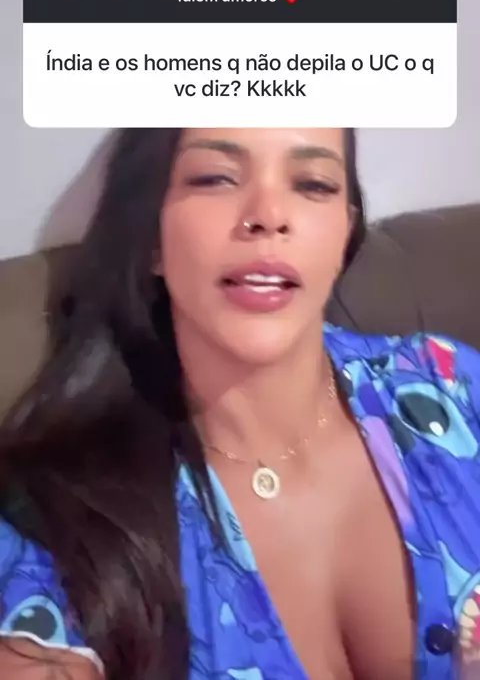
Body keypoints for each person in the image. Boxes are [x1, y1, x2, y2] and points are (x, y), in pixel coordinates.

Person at [0, 127, 479, 680]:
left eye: (313, 184)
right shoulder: (59, 523)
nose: (269, 215)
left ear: (345, 232)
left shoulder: (448, 386)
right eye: (215, 178)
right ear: (149, 236)